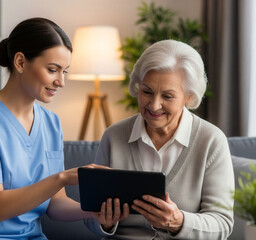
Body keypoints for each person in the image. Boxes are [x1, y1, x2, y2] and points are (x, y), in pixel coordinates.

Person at [0, 18, 116, 239]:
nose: (61, 82)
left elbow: (55, 204)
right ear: (20, 62)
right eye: (52, 70)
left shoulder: (51, 123)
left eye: (64, 72)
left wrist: (93, 213)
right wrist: (62, 178)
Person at [85, 39, 234, 239]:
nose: (154, 105)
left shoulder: (212, 141)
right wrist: (103, 222)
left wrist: (179, 222)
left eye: (168, 96)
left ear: (189, 97)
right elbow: (88, 216)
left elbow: (222, 224)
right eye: (147, 91)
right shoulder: (114, 136)